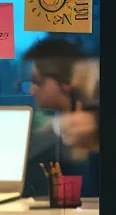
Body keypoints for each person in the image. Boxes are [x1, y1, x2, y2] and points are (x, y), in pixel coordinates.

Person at [21, 39, 99, 196]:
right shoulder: (52, 129)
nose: (31, 90)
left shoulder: (93, 127)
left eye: (38, 82)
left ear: (66, 82)